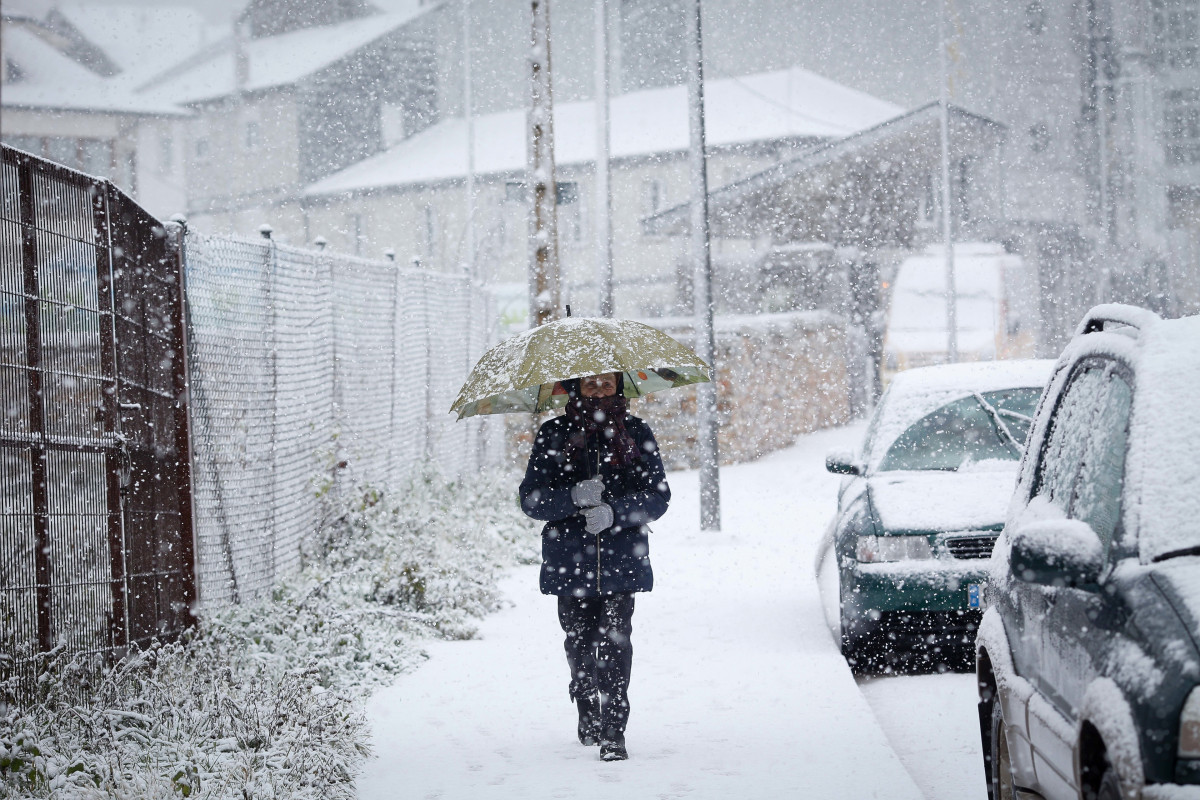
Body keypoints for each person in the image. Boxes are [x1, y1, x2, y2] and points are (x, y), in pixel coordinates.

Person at [519, 371, 670, 762]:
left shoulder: (636, 433)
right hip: (570, 561)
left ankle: (614, 730)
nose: (599, 391)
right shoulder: (553, 434)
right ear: (575, 389)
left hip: (621, 560)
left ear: (619, 386)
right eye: (590, 384)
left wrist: (614, 512)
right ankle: (586, 702)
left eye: (607, 383)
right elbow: (532, 500)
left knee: (617, 642)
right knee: (579, 643)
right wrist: (573, 496)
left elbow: (657, 496)